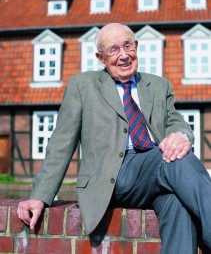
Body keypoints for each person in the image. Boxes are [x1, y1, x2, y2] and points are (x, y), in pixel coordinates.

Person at [17, 23, 211, 253]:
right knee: (174, 157)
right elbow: (61, 142)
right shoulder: (82, 85)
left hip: (155, 173)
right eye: (113, 50)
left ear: (136, 47)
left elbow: (175, 121)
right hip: (113, 175)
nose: (123, 56)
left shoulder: (159, 85)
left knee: (178, 201)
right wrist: (40, 196)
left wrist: (181, 135)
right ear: (101, 58)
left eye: (127, 46)